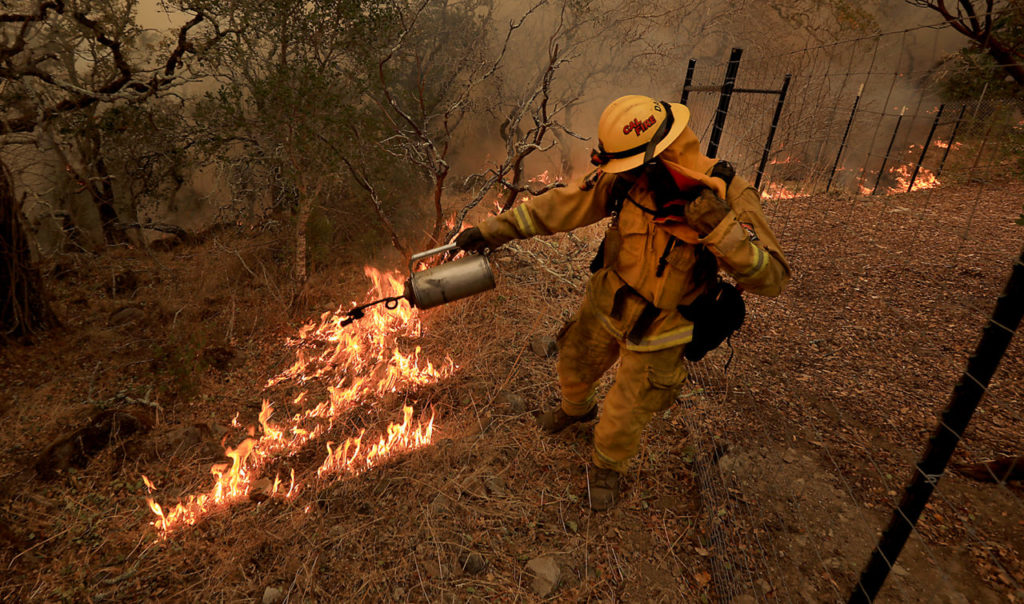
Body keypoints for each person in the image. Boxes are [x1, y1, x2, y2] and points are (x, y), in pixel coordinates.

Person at [455, 95, 791, 510]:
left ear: (657, 154)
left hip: (664, 328)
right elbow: (565, 204)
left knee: (625, 411)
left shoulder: (729, 194)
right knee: (574, 362)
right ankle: (576, 411)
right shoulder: (627, 178)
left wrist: (719, 227)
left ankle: (607, 467)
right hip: (608, 301)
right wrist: (492, 231)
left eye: (630, 166)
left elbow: (772, 278)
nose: (623, 174)